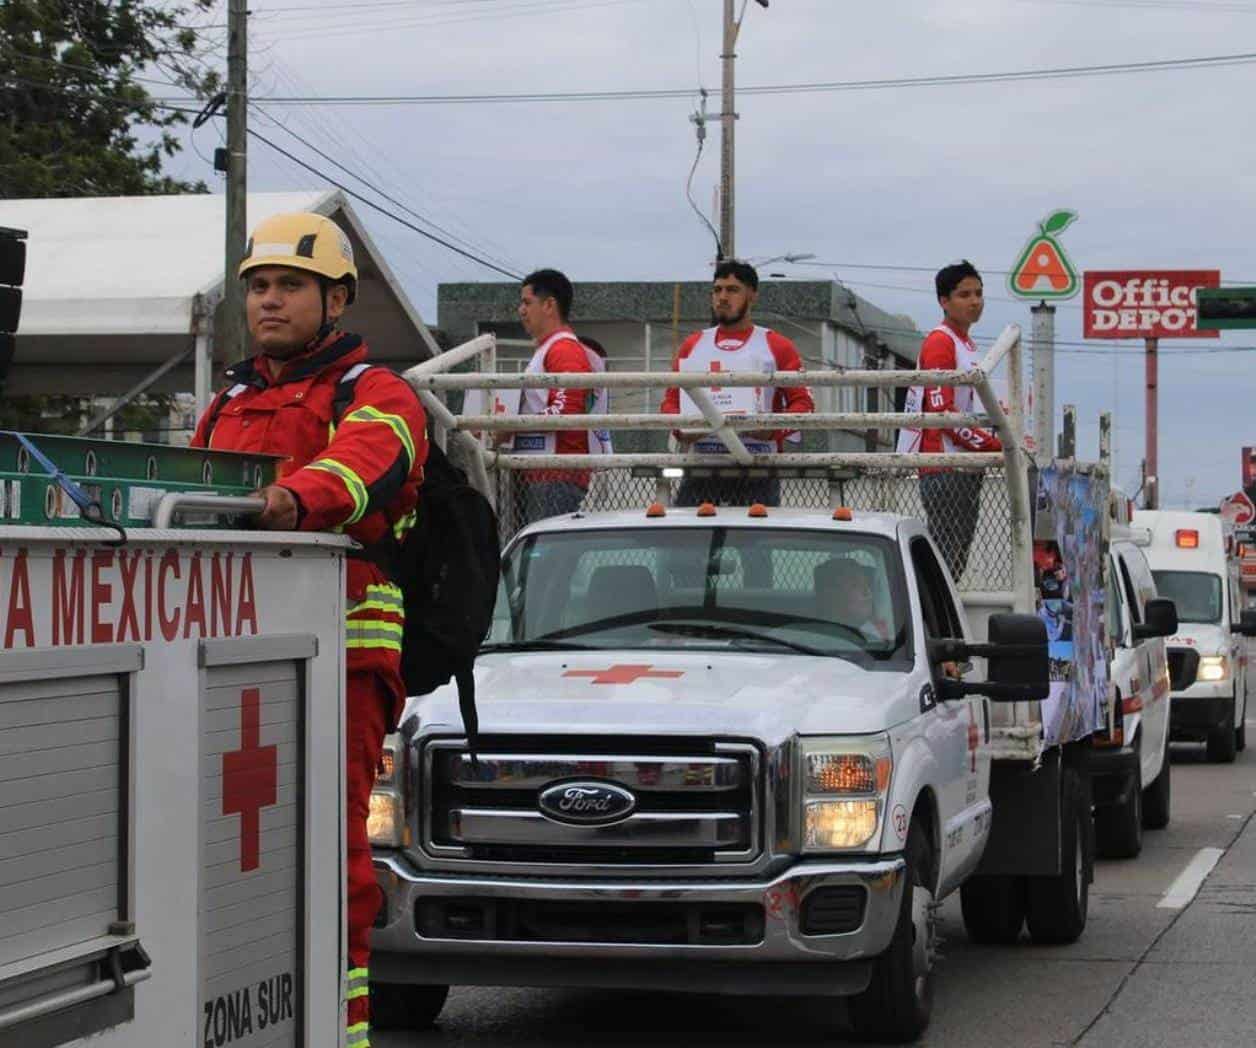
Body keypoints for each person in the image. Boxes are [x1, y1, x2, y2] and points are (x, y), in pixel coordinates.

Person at [191, 212, 427, 1048]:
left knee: (333, 858)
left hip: (342, 658)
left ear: (335, 301)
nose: (268, 301)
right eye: (258, 287)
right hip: (224, 659)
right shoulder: (229, 396)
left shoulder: (377, 392)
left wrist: (290, 500)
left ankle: (342, 1030)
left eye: (289, 285)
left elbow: (360, 466)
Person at [661, 260, 814, 506]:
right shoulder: (693, 344)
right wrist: (681, 429)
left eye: (732, 290)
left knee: (754, 542)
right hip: (702, 466)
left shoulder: (776, 345)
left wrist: (772, 429)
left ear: (752, 295)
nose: (723, 297)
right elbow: (670, 400)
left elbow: (803, 402)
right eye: (717, 290)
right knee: (690, 541)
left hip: (758, 467)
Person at [896, 260, 1002, 583]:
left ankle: (935, 617)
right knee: (945, 559)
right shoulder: (942, 342)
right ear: (944, 301)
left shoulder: (966, 344)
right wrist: (992, 445)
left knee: (954, 559)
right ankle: (928, 620)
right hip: (945, 467)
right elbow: (943, 414)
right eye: (964, 294)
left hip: (962, 466)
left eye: (979, 293)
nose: (974, 301)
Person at [511, 269, 604, 525]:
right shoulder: (551, 349)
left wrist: (510, 427)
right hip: (545, 474)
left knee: (544, 559)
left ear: (549, 305)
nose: (521, 310)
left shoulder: (563, 348)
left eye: (527, 302)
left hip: (555, 475)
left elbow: (567, 408)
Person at [814, 558, 893, 645]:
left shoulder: (879, 632)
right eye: (854, 585)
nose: (867, 592)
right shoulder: (813, 639)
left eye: (867, 584)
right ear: (832, 594)